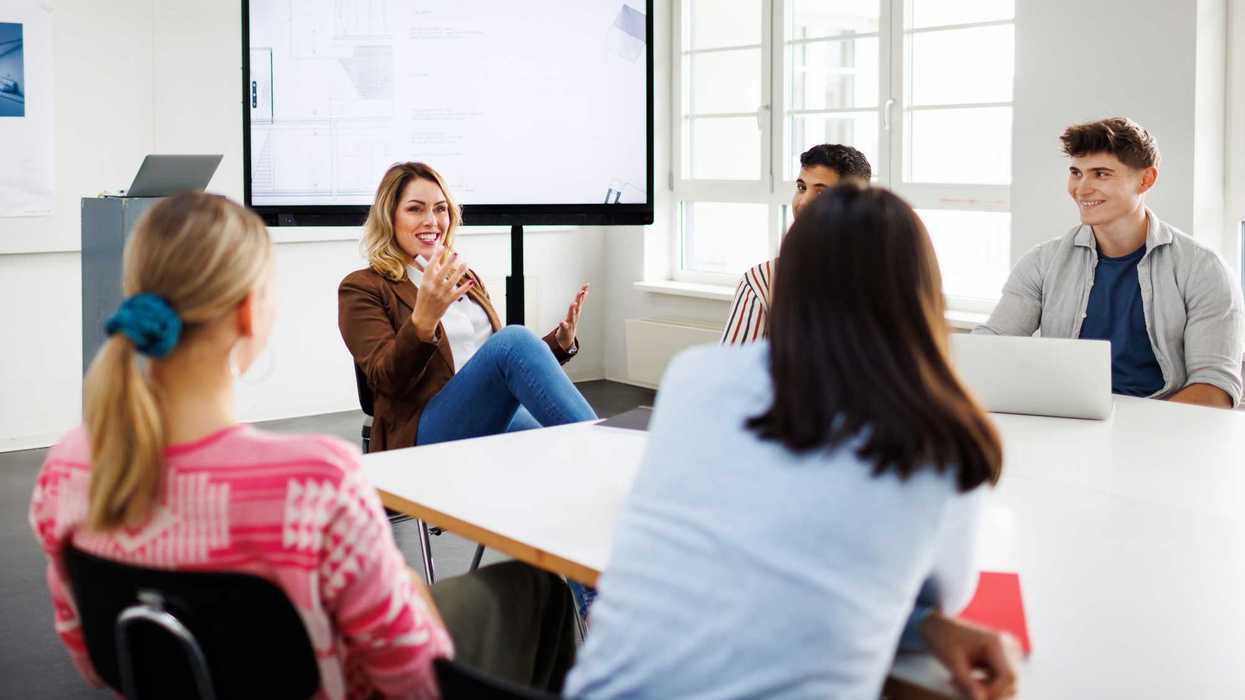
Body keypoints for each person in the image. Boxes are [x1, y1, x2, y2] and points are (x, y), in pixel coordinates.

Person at [29, 192, 576, 700]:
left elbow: (92, 655)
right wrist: (400, 593)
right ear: (251, 314)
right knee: (537, 591)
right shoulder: (315, 483)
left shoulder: (69, 468)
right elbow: (411, 678)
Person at [567, 186, 1018, 700]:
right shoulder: (939, 435)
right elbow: (942, 596)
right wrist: (933, 625)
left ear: (791, 280)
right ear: (923, 292)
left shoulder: (695, 376)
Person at [975, 117, 1244, 408]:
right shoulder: (1042, 262)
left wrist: (1130, 430)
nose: (1082, 188)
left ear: (1146, 179)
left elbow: (1215, 389)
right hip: (1067, 421)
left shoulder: (1203, 268)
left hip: (1163, 433)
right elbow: (993, 343)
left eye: (1101, 174)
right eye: (1076, 173)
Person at [338, 162, 597, 449]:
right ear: (389, 217)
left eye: (440, 208)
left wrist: (559, 344)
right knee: (513, 340)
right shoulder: (363, 287)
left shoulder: (464, 277)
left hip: (484, 415)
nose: (431, 220)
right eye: (415, 209)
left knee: (557, 444)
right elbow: (385, 381)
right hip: (420, 430)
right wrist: (421, 324)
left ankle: (605, 459)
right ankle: (613, 451)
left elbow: (498, 366)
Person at [721, 143, 872, 344]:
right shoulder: (762, 282)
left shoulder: (884, 279)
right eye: (801, 188)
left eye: (821, 193)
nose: (803, 202)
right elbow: (734, 369)